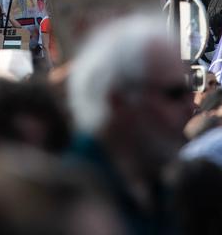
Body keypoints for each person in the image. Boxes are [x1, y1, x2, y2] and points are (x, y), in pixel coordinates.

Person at [68, 14, 194, 234]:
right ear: (118, 100)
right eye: (174, 94)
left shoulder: (169, 193)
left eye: (189, 92)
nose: (190, 106)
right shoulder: (63, 200)